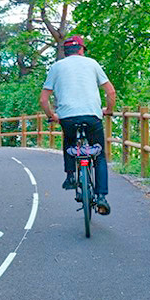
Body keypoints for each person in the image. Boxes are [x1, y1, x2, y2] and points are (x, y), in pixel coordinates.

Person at [39, 35, 116, 215]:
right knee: (99, 156)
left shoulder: (56, 67)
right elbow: (110, 92)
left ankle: (71, 176)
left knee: (70, 140)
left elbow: (43, 99)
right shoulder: (92, 64)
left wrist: (51, 116)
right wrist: (109, 110)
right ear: (81, 50)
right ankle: (102, 197)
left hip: (68, 117)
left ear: (66, 52)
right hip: (92, 116)